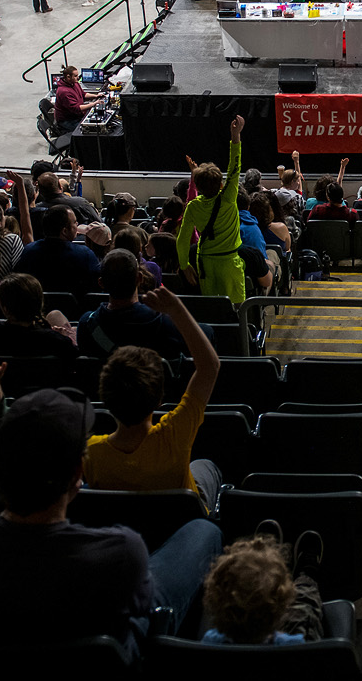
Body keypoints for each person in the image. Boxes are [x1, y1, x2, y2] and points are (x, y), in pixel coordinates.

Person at [0, 386, 223, 649]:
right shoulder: (121, 552)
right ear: (77, 474)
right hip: (115, 655)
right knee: (204, 529)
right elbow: (141, 608)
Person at [85, 286, 221, 507]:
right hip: (180, 519)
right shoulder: (174, 435)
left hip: (122, 523)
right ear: (159, 399)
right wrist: (176, 310)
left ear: (105, 399)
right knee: (206, 465)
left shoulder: (91, 452)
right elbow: (209, 366)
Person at [177, 115, 247, 305]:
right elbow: (235, 168)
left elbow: (183, 239)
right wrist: (235, 136)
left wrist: (184, 265)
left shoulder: (193, 206)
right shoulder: (228, 197)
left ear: (197, 187)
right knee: (237, 308)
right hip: (229, 262)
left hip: (205, 263)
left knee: (213, 308)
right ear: (221, 184)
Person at [14, 205, 102, 300]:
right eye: (74, 222)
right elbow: (97, 287)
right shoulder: (85, 255)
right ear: (64, 231)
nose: (77, 224)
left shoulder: (28, 251)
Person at [52, 65, 100, 134]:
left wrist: (96, 96)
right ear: (68, 77)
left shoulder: (74, 83)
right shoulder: (64, 92)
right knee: (90, 131)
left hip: (76, 116)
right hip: (68, 120)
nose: (78, 77)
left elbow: (83, 94)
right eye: (75, 76)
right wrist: (93, 104)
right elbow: (76, 108)